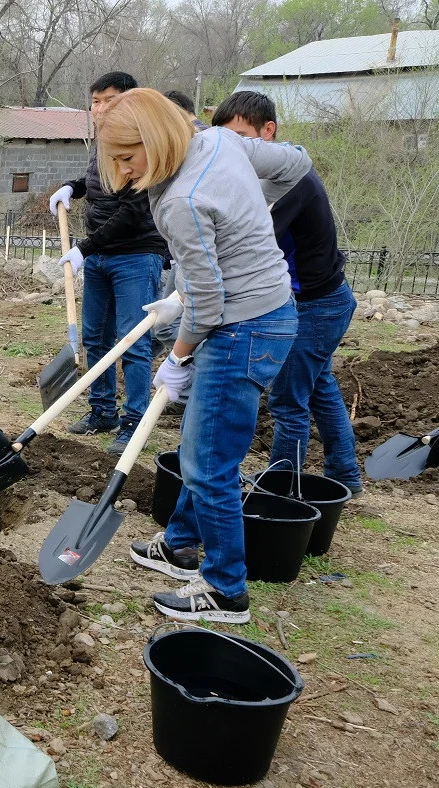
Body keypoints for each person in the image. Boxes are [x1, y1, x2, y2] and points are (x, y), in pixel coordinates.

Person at [97, 88, 310, 623]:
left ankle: (225, 589)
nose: (121, 173)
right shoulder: (221, 141)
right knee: (205, 438)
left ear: (156, 139)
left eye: (127, 157)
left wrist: (179, 355)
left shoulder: (181, 201)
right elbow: (297, 162)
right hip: (262, 312)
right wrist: (248, 215)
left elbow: (211, 303)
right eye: (114, 160)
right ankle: (180, 544)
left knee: (207, 460)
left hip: (243, 327)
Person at [213, 91, 363, 497]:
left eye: (243, 137)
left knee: (287, 401)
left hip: (317, 305)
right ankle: (345, 474)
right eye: (226, 139)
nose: (234, 149)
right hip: (323, 300)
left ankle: (278, 494)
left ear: (268, 132)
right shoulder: (263, 179)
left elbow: (251, 243)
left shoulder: (288, 183)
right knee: (318, 386)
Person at [49, 72, 168, 455]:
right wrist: (72, 186)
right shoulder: (104, 142)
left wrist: (84, 247)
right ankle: (102, 412)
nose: (100, 109)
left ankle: (134, 420)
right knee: (96, 337)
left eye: (109, 100)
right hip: (100, 255)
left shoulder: (142, 144)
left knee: (133, 341)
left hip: (135, 254)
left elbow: (132, 212)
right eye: (95, 101)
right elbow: (94, 181)